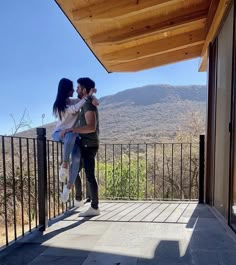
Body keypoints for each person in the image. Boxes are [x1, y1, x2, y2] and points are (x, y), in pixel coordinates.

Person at [52, 78, 97, 203]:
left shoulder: (74, 101)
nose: (74, 90)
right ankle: (65, 164)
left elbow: (86, 100)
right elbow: (75, 108)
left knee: (77, 158)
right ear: (66, 90)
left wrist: (93, 97)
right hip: (59, 134)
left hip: (71, 135)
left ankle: (68, 187)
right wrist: (89, 96)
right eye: (72, 88)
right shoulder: (62, 105)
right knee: (70, 135)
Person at [61, 77, 100, 217]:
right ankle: (78, 199)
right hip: (85, 144)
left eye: (78, 87)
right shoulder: (86, 101)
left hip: (89, 145)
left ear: (84, 90)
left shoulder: (88, 104)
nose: (76, 89)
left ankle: (94, 207)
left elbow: (91, 127)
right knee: (75, 170)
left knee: (89, 176)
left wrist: (73, 130)